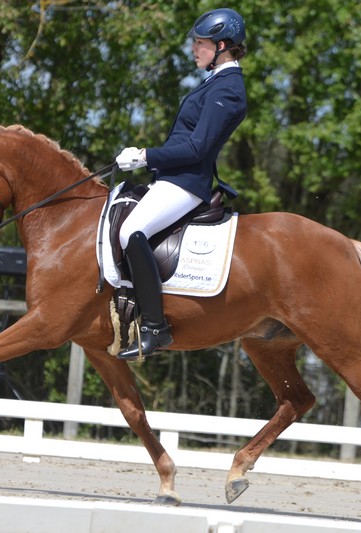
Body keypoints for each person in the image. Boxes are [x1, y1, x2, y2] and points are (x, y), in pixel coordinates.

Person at [114, 7, 248, 361]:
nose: (194, 49)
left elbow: (197, 147)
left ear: (222, 45)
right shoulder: (213, 82)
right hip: (171, 178)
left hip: (188, 183)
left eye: (200, 43)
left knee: (131, 232)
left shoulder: (229, 88)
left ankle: (155, 328)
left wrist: (145, 157)